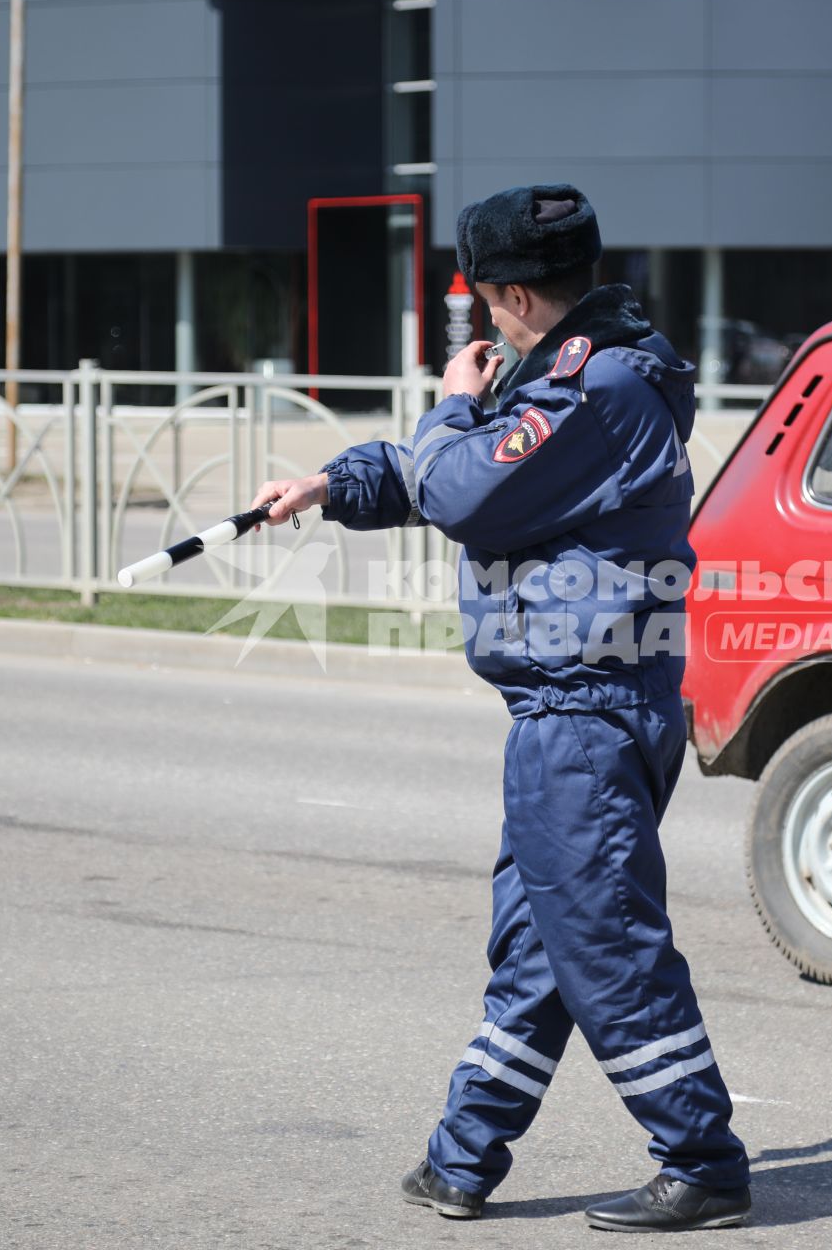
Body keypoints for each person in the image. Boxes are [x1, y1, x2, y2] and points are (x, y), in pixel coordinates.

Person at [251, 184, 752, 1232]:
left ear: (516, 293)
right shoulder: (574, 376)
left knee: (605, 942)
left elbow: (468, 488)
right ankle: (461, 1156)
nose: (480, 323)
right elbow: (475, 474)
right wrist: (332, 486)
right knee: (536, 951)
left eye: (485, 302)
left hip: (589, 708)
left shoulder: (602, 384)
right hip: (568, 711)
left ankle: (700, 1154)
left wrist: (444, 401)